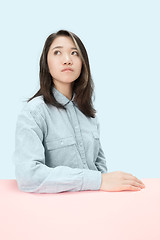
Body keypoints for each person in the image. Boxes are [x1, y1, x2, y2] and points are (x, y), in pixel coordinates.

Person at [12, 29, 145, 193]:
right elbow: (28, 176)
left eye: (74, 53)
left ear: (83, 62)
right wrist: (97, 180)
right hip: (52, 211)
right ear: (46, 63)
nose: (67, 60)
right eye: (57, 52)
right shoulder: (34, 113)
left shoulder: (89, 114)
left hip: (93, 207)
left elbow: (100, 168)